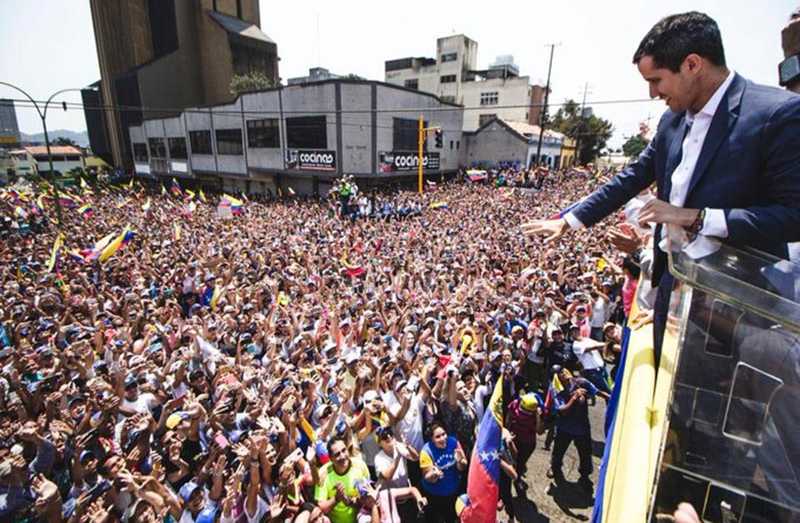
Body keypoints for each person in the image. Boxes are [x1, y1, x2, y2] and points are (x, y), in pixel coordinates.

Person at [523, 11, 800, 360]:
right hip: (674, 292)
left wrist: (697, 218)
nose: (652, 93)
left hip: (738, 307)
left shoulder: (776, 114)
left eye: (657, 80)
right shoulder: (672, 121)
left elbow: (793, 215)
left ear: (692, 64)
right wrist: (569, 220)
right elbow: (633, 176)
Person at [548, 367, 610, 491]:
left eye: (563, 370)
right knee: (558, 452)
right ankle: (555, 468)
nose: (564, 373)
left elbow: (597, 392)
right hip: (564, 428)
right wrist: (574, 397)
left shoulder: (581, 382)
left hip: (582, 427)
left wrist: (610, 398)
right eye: (559, 373)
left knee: (585, 453)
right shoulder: (556, 390)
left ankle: (585, 475)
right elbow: (562, 410)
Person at [419, 423, 466, 523]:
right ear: (431, 439)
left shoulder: (453, 442)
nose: (443, 438)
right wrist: (434, 474)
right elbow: (426, 477)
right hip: (434, 495)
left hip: (454, 492)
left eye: (444, 434)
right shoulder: (426, 451)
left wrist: (460, 461)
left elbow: (462, 467)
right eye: (438, 437)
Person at [317, 437, 371, 523]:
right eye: (337, 454)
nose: (342, 456)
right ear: (331, 458)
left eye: (344, 450)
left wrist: (349, 501)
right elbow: (321, 507)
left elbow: (369, 498)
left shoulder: (360, 465)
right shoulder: (323, 473)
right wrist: (336, 499)